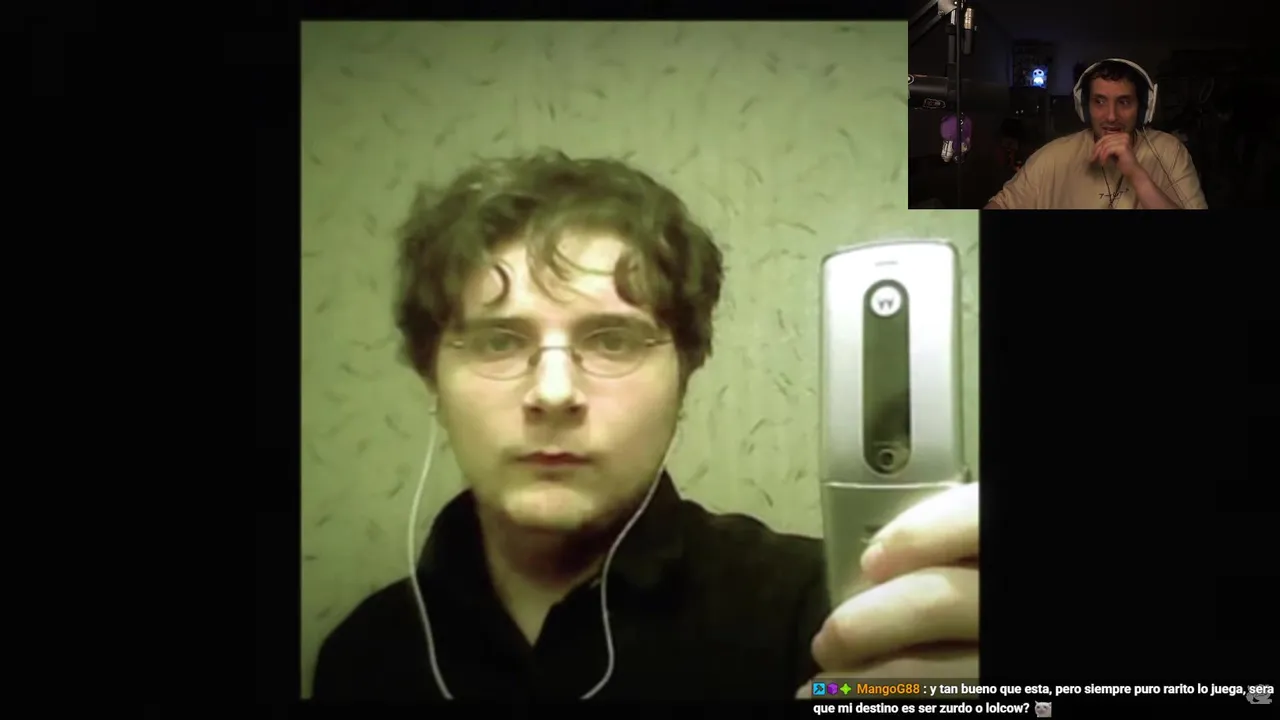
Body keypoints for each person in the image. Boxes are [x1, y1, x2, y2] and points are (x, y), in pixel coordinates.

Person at [309, 150, 979, 701]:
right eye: (498, 341)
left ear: (685, 373)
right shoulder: (365, 654)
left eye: (612, 340)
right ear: (431, 375)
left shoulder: (825, 615)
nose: (553, 393)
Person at [985, 58, 1207, 209]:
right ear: (1084, 107)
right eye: (1100, 101)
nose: (1111, 116)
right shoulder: (1052, 156)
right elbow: (1000, 205)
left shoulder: (1169, 151)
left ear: (1142, 109)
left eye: (1124, 102)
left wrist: (1137, 174)